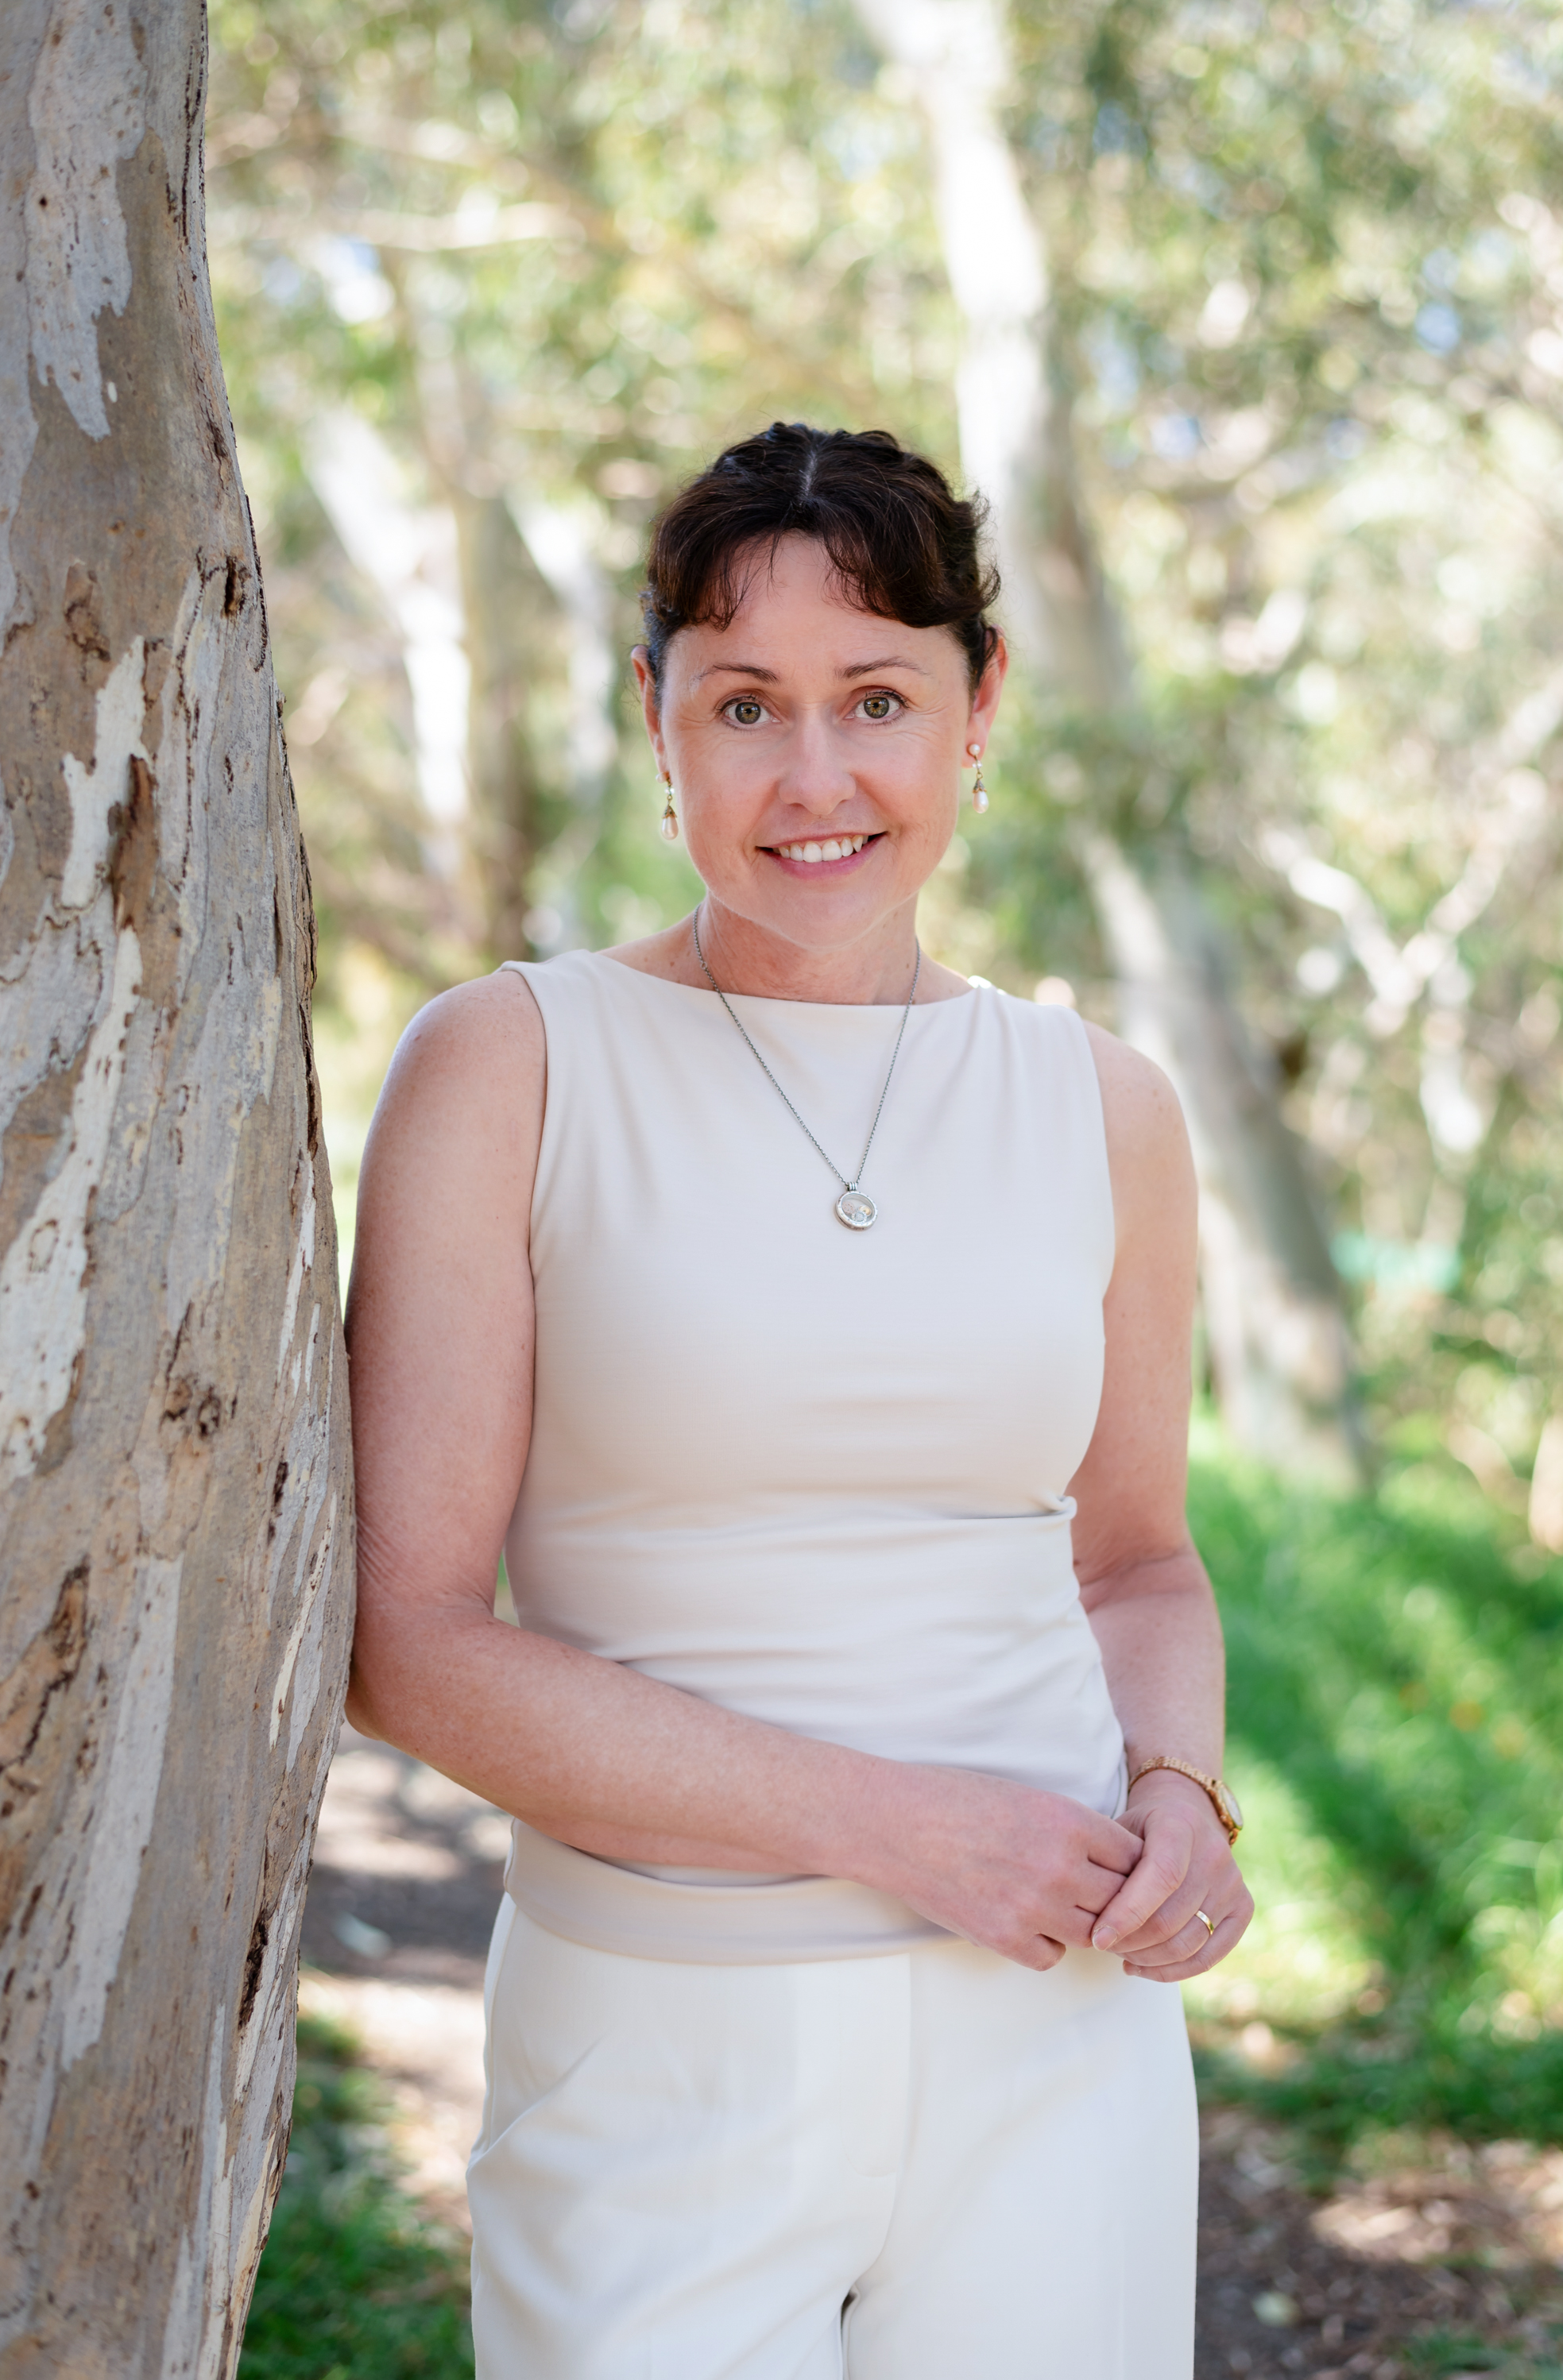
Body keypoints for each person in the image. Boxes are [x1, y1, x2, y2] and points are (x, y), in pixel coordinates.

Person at [344, 421, 1254, 2380]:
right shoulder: (509, 1062)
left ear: (977, 708)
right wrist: (898, 1827)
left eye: (878, 700)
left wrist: (1181, 1794)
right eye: (745, 703)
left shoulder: (1102, 1104)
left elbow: (1136, 1564)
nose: (815, 777)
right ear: (655, 717)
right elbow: (403, 1640)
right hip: (657, 2046)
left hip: (1059, 2035)